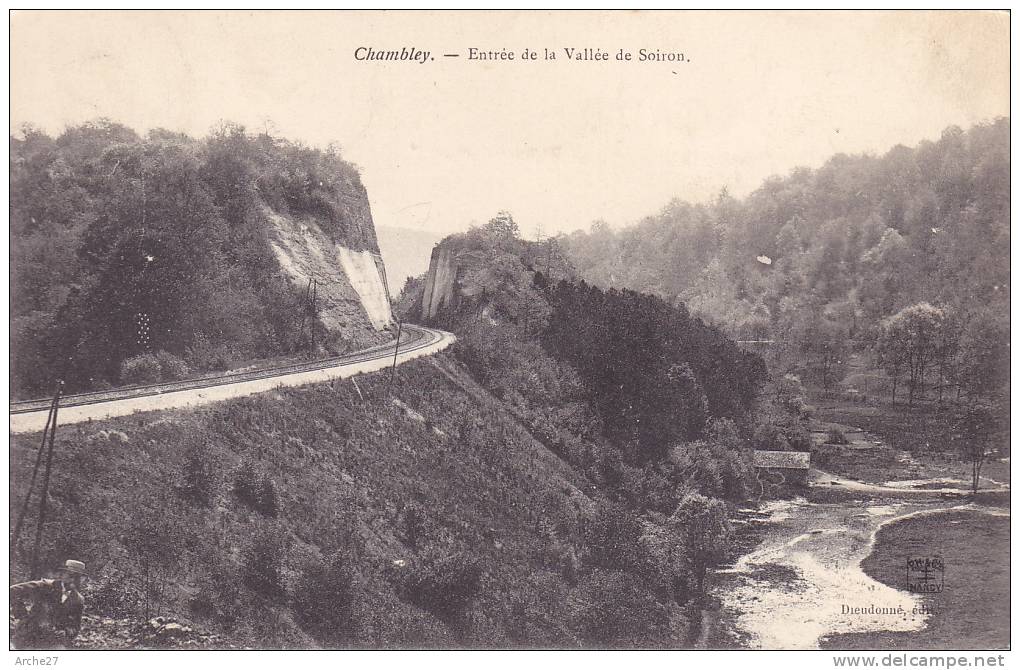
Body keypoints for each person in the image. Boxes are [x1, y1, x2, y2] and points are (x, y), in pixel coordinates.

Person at [9, 560, 86, 650]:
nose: (73, 580)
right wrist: (22, 615)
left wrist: (65, 632)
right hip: (29, 635)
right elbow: (13, 591)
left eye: (77, 578)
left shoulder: (78, 600)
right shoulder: (45, 586)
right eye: (70, 575)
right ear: (63, 574)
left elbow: (75, 627)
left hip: (52, 641)